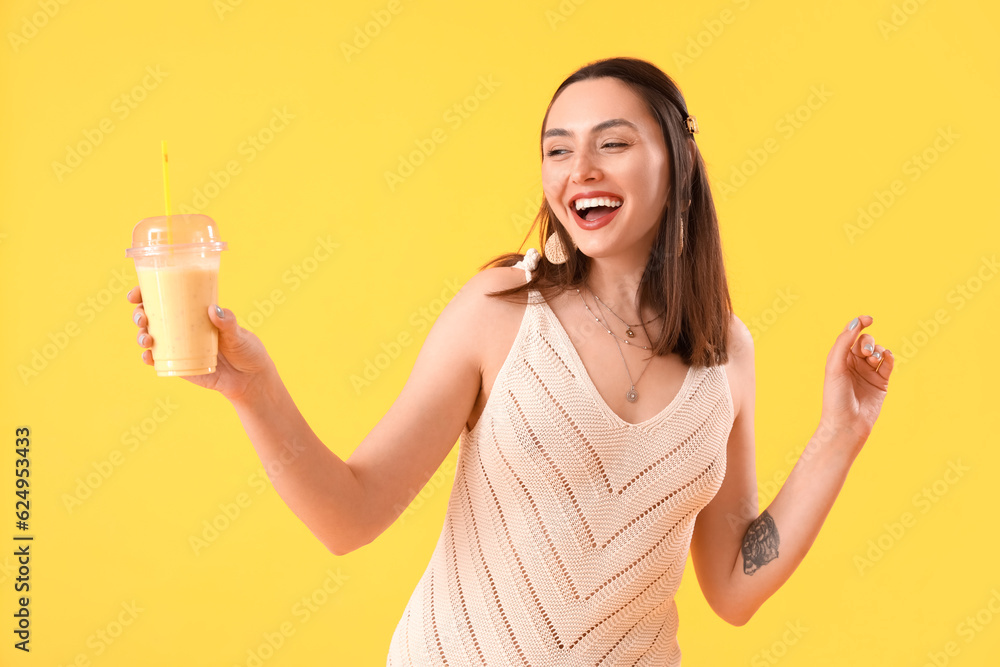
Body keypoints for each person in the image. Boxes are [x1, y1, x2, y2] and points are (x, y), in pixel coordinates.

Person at [127, 56, 894, 665]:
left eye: (612, 143)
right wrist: (252, 389)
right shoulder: (502, 308)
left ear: (679, 161)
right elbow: (350, 515)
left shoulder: (727, 354)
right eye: (557, 150)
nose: (578, 169)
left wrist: (840, 434)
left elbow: (732, 581)